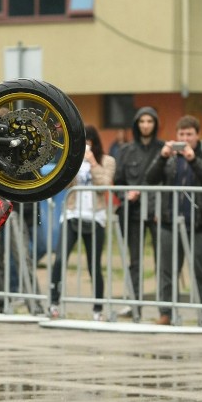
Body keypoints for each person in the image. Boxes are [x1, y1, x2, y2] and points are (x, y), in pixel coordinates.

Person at [146, 115, 202, 326]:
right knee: (167, 271)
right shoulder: (169, 156)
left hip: (198, 224)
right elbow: (150, 179)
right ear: (175, 136)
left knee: (200, 272)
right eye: (181, 134)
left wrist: (193, 160)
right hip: (170, 222)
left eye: (189, 134)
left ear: (197, 135)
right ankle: (165, 313)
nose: (185, 138)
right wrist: (161, 157)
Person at [50, 125, 116, 320]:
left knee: (94, 264)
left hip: (96, 216)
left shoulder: (107, 160)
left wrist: (93, 163)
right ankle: (54, 303)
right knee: (60, 260)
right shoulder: (72, 160)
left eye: (88, 142)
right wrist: (72, 161)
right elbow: (62, 184)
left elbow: (105, 184)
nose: (85, 146)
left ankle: (98, 309)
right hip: (72, 214)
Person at [113, 107, 164, 319]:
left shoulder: (163, 149)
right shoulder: (126, 151)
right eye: (142, 121)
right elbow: (118, 181)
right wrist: (126, 196)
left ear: (155, 124)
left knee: (162, 261)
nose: (145, 125)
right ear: (137, 124)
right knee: (135, 261)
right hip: (133, 214)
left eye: (149, 121)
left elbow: (167, 179)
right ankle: (135, 306)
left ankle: (165, 310)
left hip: (157, 212)